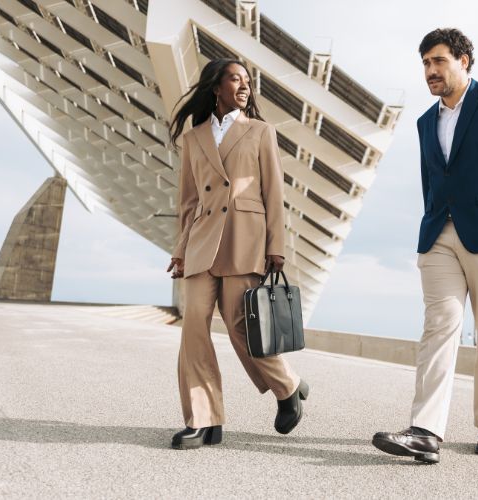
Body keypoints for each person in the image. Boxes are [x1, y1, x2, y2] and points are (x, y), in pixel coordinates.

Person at [372, 28, 478, 463]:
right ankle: (426, 431)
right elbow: (434, 182)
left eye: (438, 61)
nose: (431, 70)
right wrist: (431, 226)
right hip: (439, 237)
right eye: (426, 63)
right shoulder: (425, 121)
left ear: (464, 60)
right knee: (439, 326)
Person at [166, 58, 309, 450]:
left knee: (239, 325)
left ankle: (288, 386)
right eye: (235, 79)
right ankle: (203, 420)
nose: (244, 86)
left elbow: (273, 193)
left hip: (244, 238)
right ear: (216, 87)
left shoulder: (260, 131)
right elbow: (189, 201)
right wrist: (180, 250)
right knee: (193, 328)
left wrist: (275, 247)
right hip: (201, 244)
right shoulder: (194, 138)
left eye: (248, 80)